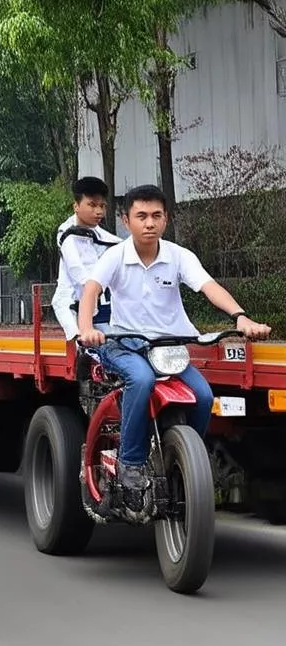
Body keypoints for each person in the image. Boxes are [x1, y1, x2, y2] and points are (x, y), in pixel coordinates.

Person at [78, 185, 271, 505]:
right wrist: (87, 329)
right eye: (141, 216)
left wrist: (240, 317)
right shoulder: (115, 256)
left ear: (166, 220)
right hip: (126, 343)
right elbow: (91, 290)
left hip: (169, 346)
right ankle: (131, 462)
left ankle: (185, 459)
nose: (149, 223)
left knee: (204, 395)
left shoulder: (179, 256)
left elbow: (209, 287)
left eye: (156, 215)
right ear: (126, 221)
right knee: (140, 380)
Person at [51, 176, 121, 340]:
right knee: (83, 344)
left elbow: (117, 244)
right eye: (92, 205)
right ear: (76, 206)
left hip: (97, 301)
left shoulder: (99, 232)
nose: (99, 212)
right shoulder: (66, 233)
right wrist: (94, 287)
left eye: (102, 206)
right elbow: (76, 269)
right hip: (72, 300)